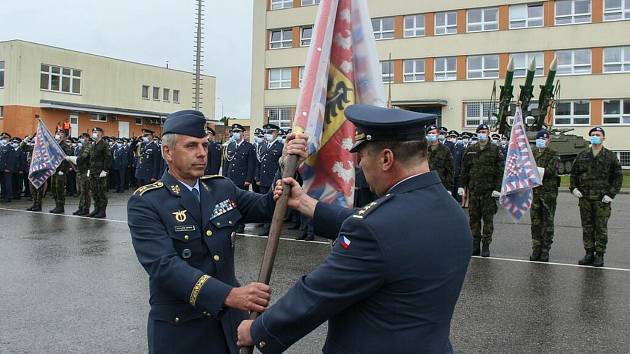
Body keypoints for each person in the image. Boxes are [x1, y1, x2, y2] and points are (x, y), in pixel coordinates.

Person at [237, 104, 472, 354]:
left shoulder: (377, 228)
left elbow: (317, 293)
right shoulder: (449, 210)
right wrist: (305, 203)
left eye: (362, 156)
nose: (359, 165)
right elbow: (380, 227)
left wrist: (258, 330)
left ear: (386, 159)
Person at [127, 109, 308, 354]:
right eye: (191, 146)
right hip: (182, 331)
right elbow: (164, 266)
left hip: (228, 325)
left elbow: (268, 207)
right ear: (167, 152)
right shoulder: (147, 202)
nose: (202, 153)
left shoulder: (221, 188)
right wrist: (228, 295)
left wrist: (286, 166)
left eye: (204, 144)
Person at [570, 127, 623, 267]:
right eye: (593, 135)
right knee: (587, 227)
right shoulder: (582, 155)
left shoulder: (610, 157)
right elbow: (574, 174)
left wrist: (611, 194)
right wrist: (573, 188)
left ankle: (599, 255)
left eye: (598, 135)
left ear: (603, 138)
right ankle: (589, 253)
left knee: (600, 228)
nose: (595, 137)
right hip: (585, 199)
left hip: (602, 200)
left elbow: (618, 177)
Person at [458, 124, 504, 257]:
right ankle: (475, 245)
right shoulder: (471, 149)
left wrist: (497, 188)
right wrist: (462, 186)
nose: (482, 134)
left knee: (488, 220)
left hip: (488, 192)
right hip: (474, 191)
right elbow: (465, 170)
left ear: (488, 132)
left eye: (484, 132)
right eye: (480, 132)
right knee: (474, 219)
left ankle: (486, 245)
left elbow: (500, 171)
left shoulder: (495, 150)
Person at [530, 130, 560, 262]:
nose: (541, 140)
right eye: (539, 138)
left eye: (544, 138)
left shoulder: (554, 154)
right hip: (535, 193)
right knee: (536, 222)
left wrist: (533, 171)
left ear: (549, 140)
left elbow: (551, 171)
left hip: (548, 193)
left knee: (547, 223)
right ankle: (536, 248)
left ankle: (545, 250)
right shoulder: (533, 154)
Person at [256, 123, 284, 236]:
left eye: (270, 132)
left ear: (276, 133)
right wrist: (257, 177)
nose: (267, 134)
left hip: (274, 180)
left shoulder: (280, 147)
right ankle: (265, 224)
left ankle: (270, 227)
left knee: (273, 204)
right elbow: (259, 163)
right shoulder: (263, 146)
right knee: (264, 203)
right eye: (266, 132)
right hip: (263, 179)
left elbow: (282, 166)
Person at [426, 124, 454, 194]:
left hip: (440, 184)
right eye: (429, 133)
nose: (431, 135)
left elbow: (449, 170)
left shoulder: (445, 150)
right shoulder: (423, 149)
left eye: (433, 133)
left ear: (438, 134)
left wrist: (449, 188)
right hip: (426, 185)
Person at [49, 130, 73, 213]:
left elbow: (68, 159)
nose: (59, 135)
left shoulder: (66, 146)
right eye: (57, 134)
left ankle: (60, 206)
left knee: (60, 189)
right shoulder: (54, 145)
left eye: (61, 134)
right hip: (54, 170)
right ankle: (57, 205)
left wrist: (63, 170)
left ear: (65, 136)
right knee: (53, 188)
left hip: (61, 171)